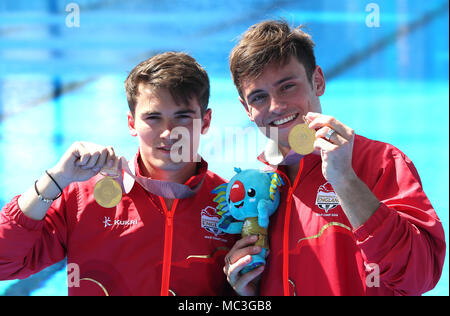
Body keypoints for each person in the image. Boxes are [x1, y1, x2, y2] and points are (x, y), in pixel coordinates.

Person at [222, 20, 446, 296]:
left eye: (287, 87)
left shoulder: (381, 161)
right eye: (258, 97)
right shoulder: (254, 191)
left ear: (317, 81)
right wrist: (247, 290)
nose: (276, 107)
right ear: (246, 108)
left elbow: (419, 275)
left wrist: (346, 181)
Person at [0, 52, 237, 296]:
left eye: (183, 116)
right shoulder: (83, 198)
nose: (168, 133)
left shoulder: (231, 205)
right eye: (153, 118)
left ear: (205, 121)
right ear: (132, 123)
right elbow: (3, 264)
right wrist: (55, 179)